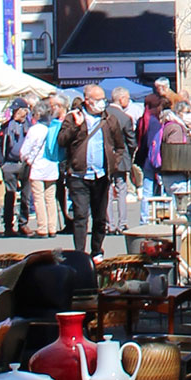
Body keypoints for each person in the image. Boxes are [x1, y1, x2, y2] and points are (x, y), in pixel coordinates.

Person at [58, 84, 129, 258]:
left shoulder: (109, 119)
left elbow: (120, 145)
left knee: (100, 217)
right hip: (78, 175)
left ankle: (97, 250)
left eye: (103, 99)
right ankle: (80, 254)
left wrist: (113, 163)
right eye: (98, 100)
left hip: (101, 175)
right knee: (81, 216)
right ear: (87, 100)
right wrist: (76, 126)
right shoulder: (73, 117)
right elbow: (62, 141)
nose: (101, 103)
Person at [19, 99, 65, 237]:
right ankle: (52, 227)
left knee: (39, 197)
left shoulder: (35, 129)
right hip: (52, 165)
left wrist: (25, 158)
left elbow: (25, 149)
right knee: (50, 198)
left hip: (38, 166)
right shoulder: (53, 128)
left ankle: (42, 227)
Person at [0, 99, 34, 237]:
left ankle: (23, 223)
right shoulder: (6, 127)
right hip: (10, 164)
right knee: (10, 195)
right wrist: (1, 163)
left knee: (26, 195)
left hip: (25, 164)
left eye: (17, 110)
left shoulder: (30, 128)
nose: (14, 113)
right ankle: (8, 226)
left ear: (25, 111)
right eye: (13, 110)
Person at [105, 87, 139, 231]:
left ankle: (109, 224)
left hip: (106, 157)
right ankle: (122, 223)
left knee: (107, 190)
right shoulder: (125, 118)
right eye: (127, 98)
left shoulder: (103, 115)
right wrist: (129, 155)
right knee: (121, 189)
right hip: (121, 157)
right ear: (121, 99)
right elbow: (131, 141)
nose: (128, 101)